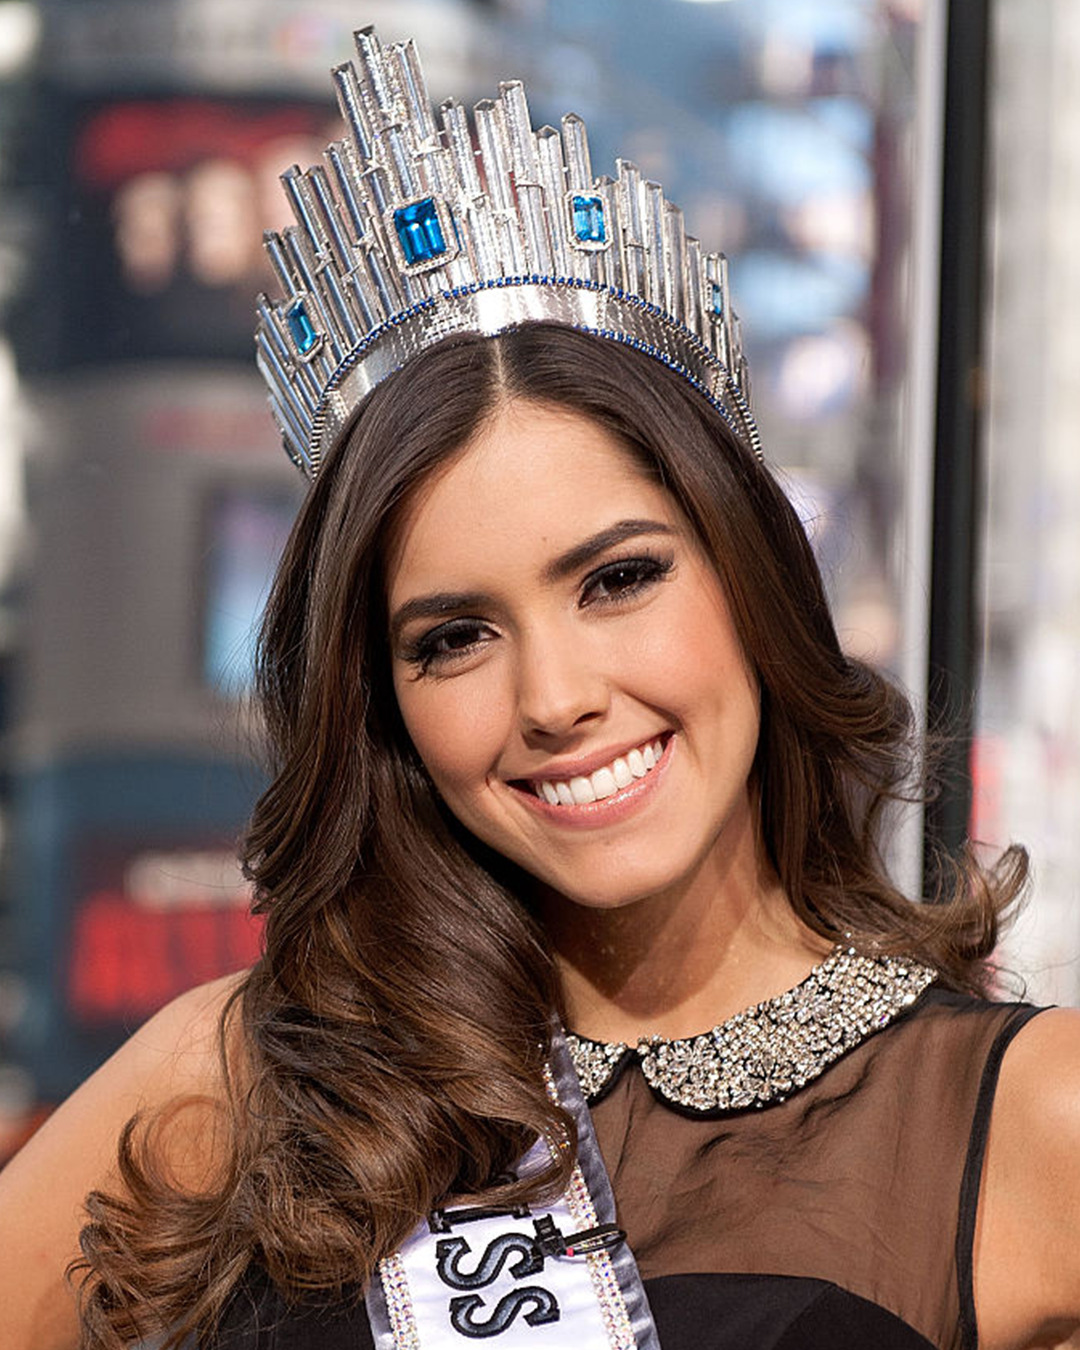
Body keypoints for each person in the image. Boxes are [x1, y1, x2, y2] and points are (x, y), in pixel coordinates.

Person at [2, 26, 1080, 1350]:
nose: (554, 695)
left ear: (749, 580)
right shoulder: (237, 1083)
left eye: (619, 578)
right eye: (453, 637)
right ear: (382, 702)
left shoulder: (1027, 1119)